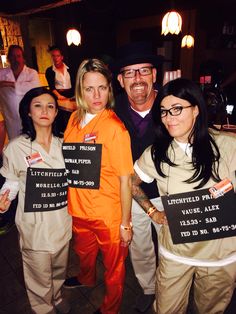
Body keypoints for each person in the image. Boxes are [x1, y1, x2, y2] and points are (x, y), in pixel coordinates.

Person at [132, 78, 236, 313]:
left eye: (177, 109)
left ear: (196, 109)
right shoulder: (157, 153)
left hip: (220, 255)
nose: (169, 118)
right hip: (176, 252)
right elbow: (132, 182)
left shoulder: (227, 145)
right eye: (164, 112)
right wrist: (153, 213)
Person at [62, 58, 133, 314]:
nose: (97, 95)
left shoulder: (115, 128)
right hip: (78, 209)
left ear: (109, 88)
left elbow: (126, 179)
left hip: (108, 214)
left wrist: (126, 223)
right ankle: (86, 278)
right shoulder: (72, 120)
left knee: (114, 269)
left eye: (102, 87)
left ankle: (110, 309)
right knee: (83, 253)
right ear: (80, 89)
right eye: (90, 88)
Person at [0, 87, 72, 314]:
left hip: (61, 220)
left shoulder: (66, 145)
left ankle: (57, 295)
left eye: (50, 106)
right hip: (34, 225)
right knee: (38, 270)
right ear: (28, 112)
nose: (44, 110)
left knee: (60, 267)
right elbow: (11, 182)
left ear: (56, 113)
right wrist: (5, 200)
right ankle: (42, 306)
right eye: (38, 105)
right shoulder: (15, 148)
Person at [113, 41, 163, 312]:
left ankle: (172, 284)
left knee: (172, 243)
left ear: (154, 75)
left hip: (171, 191)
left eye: (144, 71)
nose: (138, 79)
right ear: (121, 80)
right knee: (140, 245)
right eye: (130, 73)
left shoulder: (172, 104)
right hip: (129, 194)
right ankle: (148, 287)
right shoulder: (111, 111)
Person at [0, 45, 41, 140]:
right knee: (15, 145)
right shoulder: (1, 73)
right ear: (8, 58)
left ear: (23, 58)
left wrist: (8, 84)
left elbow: (35, 88)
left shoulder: (32, 73)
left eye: (18, 56)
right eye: (13, 56)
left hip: (29, 116)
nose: (16, 59)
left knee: (31, 143)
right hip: (10, 118)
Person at [45, 46, 75, 134]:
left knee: (72, 119)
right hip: (58, 96)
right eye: (53, 56)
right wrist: (59, 96)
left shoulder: (70, 69)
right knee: (61, 120)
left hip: (71, 96)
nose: (55, 58)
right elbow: (52, 87)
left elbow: (74, 83)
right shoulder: (49, 71)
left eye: (57, 56)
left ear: (62, 57)